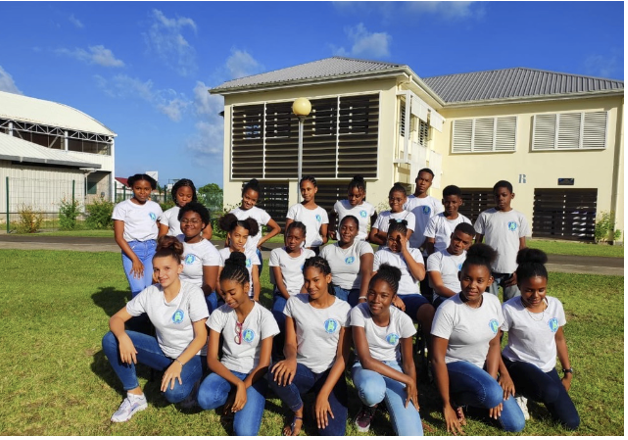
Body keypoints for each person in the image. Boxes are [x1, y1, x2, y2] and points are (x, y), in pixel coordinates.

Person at [101, 236, 209, 422]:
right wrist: (123, 337)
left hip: (194, 356)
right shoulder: (151, 293)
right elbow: (116, 319)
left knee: (174, 393)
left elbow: (201, 337)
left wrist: (178, 363)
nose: (161, 274)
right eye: (157, 269)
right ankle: (135, 396)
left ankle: (195, 381)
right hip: (164, 351)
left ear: (179, 268)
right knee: (111, 339)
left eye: (167, 268)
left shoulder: (193, 293)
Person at [431, 244, 525, 434]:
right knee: (492, 393)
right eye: (467, 278)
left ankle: (472, 403)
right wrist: (446, 404)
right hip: (453, 368)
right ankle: (455, 400)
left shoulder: (493, 302)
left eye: (479, 280)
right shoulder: (448, 309)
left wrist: (492, 380)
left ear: (489, 281)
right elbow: (437, 359)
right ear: (459, 276)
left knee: (515, 424)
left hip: (480, 369)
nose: (472, 285)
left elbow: (494, 343)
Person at [197, 253, 280, 436]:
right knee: (205, 398)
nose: (227, 298)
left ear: (246, 287)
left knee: (244, 433)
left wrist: (244, 385)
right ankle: (235, 392)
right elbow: (212, 360)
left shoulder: (264, 316)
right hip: (228, 370)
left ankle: (246, 397)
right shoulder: (219, 314)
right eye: (224, 293)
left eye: (232, 292)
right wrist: (238, 385)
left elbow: (264, 364)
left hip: (255, 375)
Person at [268, 257, 351, 436]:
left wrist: (324, 394)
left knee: (332, 434)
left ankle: (319, 396)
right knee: (274, 373)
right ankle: (299, 410)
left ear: (328, 278)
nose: (311, 286)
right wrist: (291, 358)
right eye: (307, 280)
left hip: (330, 373)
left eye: (316, 280)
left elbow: (342, 357)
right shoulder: (294, 303)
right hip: (303, 370)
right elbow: (290, 342)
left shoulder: (343, 309)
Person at [501, 248, 580, 430]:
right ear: (518, 285)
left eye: (541, 290)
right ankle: (519, 392)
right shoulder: (509, 309)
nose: (535, 296)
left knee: (571, 423)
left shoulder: (555, 305)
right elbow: (494, 344)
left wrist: (568, 372)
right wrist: (503, 374)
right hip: (518, 365)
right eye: (529, 290)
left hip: (546, 368)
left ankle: (536, 388)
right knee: (550, 392)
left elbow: (559, 339)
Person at [350, 264, 424, 435]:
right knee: (372, 391)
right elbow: (366, 360)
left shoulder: (403, 320)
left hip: (393, 366)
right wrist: (407, 380)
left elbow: (408, 363)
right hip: (365, 367)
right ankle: (369, 407)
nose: (376, 300)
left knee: (412, 434)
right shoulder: (358, 312)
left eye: (384, 296)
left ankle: (389, 404)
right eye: (372, 293)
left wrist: (412, 391)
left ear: (393, 298)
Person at [373, 221, 434, 346]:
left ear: (405, 239)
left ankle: (432, 352)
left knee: (428, 311)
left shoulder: (414, 252)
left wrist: (404, 251)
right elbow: (374, 279)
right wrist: (393, 297)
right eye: (391, 239)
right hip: (388, 297)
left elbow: (420, 276)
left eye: (398, 240)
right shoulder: (380, 254)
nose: (395, 243)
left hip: (412, 296)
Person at [474, 180, 530, 301]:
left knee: (512, 305)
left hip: (512, 270)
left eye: (504, 195)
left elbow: (522, 247)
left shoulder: (519, 217)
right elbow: (477, 245)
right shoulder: (485, 215)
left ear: (512, 195)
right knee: (489, 303)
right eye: (497, 195)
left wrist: (520, 270)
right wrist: (481, 267)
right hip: (490, 270)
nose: (500, 198)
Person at [112, 173, 163, 298]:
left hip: (152, 250)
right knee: (138, 289)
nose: (142, 192)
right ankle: (136, 311)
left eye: (146, 189)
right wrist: (135, 259)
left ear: (151, 190)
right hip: (132, 250)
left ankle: (149, 311)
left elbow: (161, 224)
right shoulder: (122, 207)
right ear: (132, 188)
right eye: (138, 188)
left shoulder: (155, 207)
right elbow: (118, 237)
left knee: (150, 288)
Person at [176, 202, 222, 314]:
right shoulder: (176, 241)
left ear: (203, 225)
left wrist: (187, 299)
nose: (188, 224)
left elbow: (210, 286)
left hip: (201, 296)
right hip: (175, 293)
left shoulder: (209, 251)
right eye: (185, 220)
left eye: (194, 221)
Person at [320, 215, 373, 307]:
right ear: (339, 229)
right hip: (335, 290)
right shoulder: (327, 250)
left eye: (351, 229)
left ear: (357, 232)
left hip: (358, 290)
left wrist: (362, 297)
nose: (347, 232)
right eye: (343, 228)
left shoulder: (363, 246)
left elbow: (367, 272)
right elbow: (318, 272)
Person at [230, 178, 281, 270]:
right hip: (235, 254)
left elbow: (277, 228)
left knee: (253, 279)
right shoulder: (233, 213)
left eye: (253, 200)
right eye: (247, 197)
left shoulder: (260, 213)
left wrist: (261, 241)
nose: (249, 202)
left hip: (253, 254)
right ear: (242, 194)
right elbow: (229, 235)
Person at [427, 223, 475, 308]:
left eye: (465, 242)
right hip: (443, 298)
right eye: (457, 239)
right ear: (451, 235)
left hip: (467, 296)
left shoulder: (472, 259)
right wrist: (461, 298)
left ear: (470, 244)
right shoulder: (435, 257)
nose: (459, 244)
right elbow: (438, 287)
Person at [217, 214, 261, 302]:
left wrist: (255, 298)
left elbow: (256, 280)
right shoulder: (221, 254)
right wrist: (225, 297)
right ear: (229, 235)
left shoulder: (251, 255)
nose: (241, 240)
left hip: (248, 296)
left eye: (245, 237)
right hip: (228, 297)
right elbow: (218, 279)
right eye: (237, 235)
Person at [285, 176, 329, 254]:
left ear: (315, 189)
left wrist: (314, 244)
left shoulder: (322, 212)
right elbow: (287, 232)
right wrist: (288, 251)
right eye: (303, 189)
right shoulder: (295, 209)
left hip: (314, 251)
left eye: (309, 189)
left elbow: (325, 237)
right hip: (296, 250)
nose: (305, 193)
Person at [404, 168, 444, 252]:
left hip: (426, 251)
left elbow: (437, 228)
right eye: (421, 179)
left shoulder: (435, 203)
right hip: (406, 249)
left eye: (426, 181)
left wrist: (423, 247)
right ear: (416, 180)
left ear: (430, 184)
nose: (423, 183)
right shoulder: (405, 201)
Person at [424, 185, 471, 256]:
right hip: (439, 259)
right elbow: (430, 244)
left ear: (460, 202)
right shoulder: (434, 220)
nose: (450, 205)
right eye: (447, 202)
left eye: (454, 202)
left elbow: (468, 244)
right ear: (443, 201)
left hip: (459, 260)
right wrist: (433, 259)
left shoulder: (466, 221)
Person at [328, 175, 377, 242]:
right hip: (343, 242)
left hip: (361, 242)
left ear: (364, 194)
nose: (353, 198)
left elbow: (374, 216)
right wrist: (331, 229)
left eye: (357, 196)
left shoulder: (368, 207)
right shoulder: (340, 204)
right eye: (350, 195)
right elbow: (332, 214)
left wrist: (372, 233)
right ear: (347, 192)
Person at [369, 182, 415, 249]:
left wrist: (381, 233)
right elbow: (372, 237)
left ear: (405, 199)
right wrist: (391, 241)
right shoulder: (382, 215)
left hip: (400, 254)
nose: (395, 202)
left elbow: (404, 238)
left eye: (398, 199)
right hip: (382, 252)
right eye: (392, 199)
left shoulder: (409, 216)